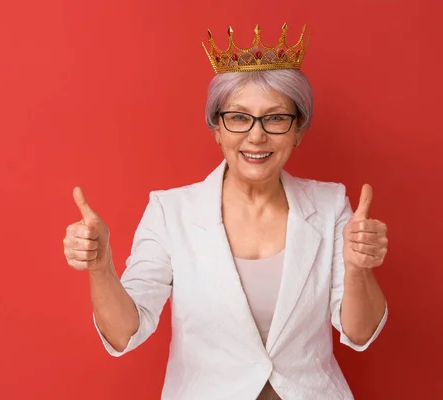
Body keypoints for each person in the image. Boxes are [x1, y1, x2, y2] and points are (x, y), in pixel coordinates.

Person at [63, 23, 388, 400]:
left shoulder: (331, 206)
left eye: (276, 118)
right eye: (238, 117)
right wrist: (101, 269)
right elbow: (124, 333)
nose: (256, 136)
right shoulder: (171, 212)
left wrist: (359, 269)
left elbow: (359, 333)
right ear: (216, 127)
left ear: (298, 128)